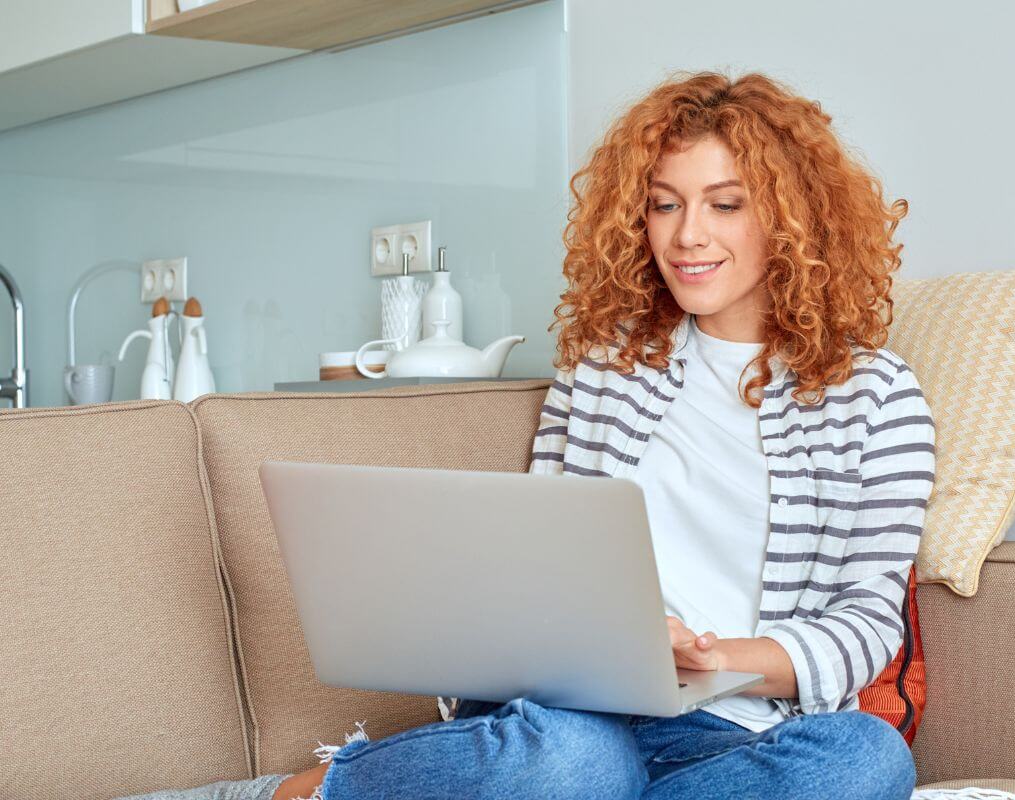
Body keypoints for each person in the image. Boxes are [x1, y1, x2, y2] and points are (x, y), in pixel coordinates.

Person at [127, 69, 934, 800]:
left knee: (866, 758)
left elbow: (865, 623)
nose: (688, 235)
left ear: (793, 219)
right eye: (664, 202)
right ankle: (286, 796)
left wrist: (715, 659)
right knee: (577, 765)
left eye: (725, 204)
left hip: (731, 732)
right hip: (572, 718)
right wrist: (616, 647)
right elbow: (539, 563)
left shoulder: (876, 397)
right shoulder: (606, 367)